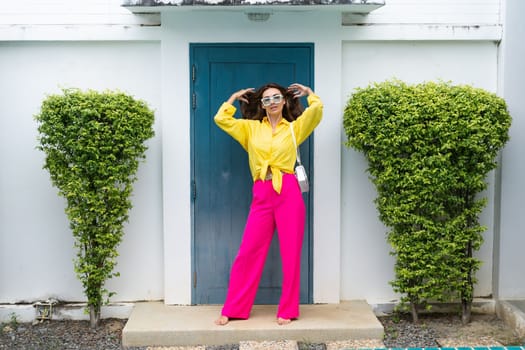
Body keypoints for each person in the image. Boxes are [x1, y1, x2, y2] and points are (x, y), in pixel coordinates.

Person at [213, 82, 323, 326]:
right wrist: (232, 97)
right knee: (248, 251)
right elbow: (221, 119)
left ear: (284, 101)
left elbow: (316, 112)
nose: (272, 102)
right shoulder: (250, 129)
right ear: (261, 105)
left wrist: (309, 94)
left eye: (276, 98)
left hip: (289, 190)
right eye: (266, 99)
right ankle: (235, 308)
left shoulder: (295, 128)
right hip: (262, 191)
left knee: (291, 252)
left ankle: (288, 310)